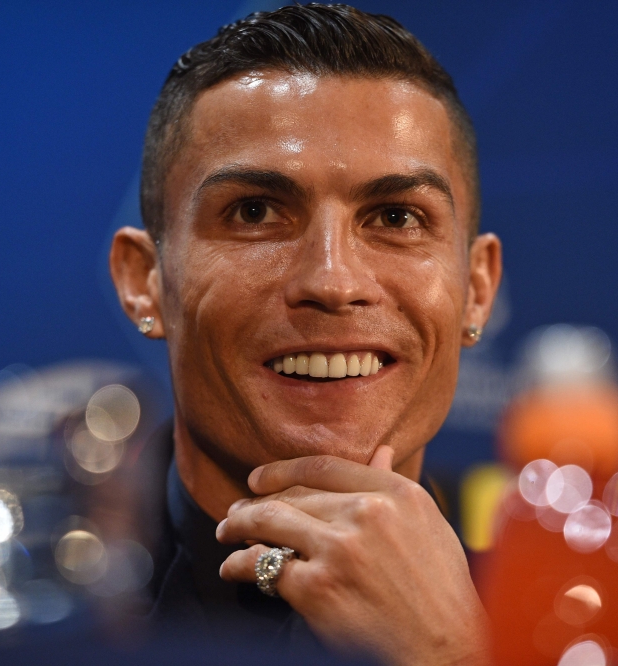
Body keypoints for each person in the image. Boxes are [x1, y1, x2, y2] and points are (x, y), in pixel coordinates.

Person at [108, 4, 502, 664]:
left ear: (477, 289)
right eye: (255, 212)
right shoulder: (31, 623)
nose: (332, 280)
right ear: (144, 281)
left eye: (397, 216)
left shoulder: (591, 629)